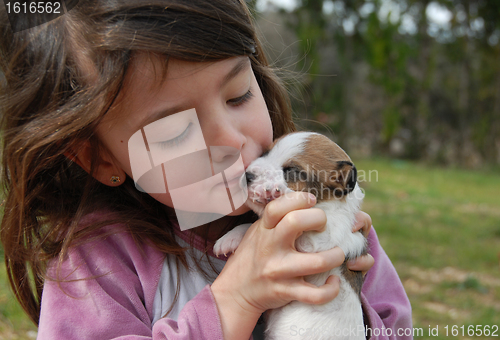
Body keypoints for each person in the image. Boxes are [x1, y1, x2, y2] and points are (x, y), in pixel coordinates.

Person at [0, 1, 412, 339]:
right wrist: (233, 302)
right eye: (177, 133)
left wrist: (344, 307)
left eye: (238, 96)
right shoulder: (97, 258)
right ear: (99, 158)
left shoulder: (326, 219)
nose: (231, 140)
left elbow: (397, 328)